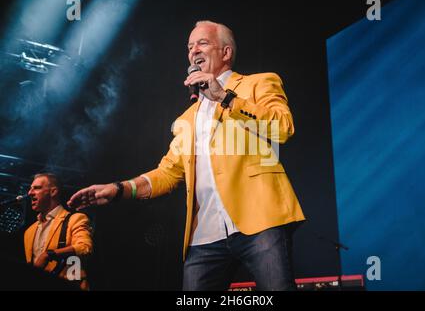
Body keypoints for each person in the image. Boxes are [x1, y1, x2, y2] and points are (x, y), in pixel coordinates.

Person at [68, 20, 305, 290]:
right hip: (204, 236)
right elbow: (167, 174)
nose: (193, 51)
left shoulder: (258, 83)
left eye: (202, 43)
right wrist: (119, 188)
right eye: (190, 46)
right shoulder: (187, 118)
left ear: (226, 53)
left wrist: (225, 98)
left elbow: (282, 127)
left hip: (261, 221)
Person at [24, 173, 93, 290]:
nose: (30, 193)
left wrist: (48, 255)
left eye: (37, 188)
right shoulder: (29, 232)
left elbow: (85, 247)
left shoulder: (75, 219)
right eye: (30, 189)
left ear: (53, 192)